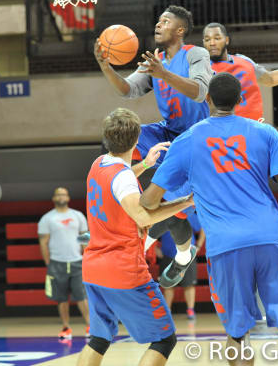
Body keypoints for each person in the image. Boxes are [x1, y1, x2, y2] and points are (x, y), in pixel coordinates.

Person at [141, 73, 278, 366]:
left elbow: (149, 201)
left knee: (238, 337)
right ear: (240, 101)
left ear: (207, 99)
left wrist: (174, 191)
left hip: (226, 247)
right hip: (271, 240)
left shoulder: (187, 140)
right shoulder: (265, 133)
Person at [95, 5, 213, 289]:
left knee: (169, 203)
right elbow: (127, 90)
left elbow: (200, 91)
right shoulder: (155, 60)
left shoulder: (196, 54)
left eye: (165, 21)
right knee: (117, 132)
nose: (158, 25)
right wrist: (106, 66)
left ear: (180, 30)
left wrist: (164, 73)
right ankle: (114, 217)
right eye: (158, 21)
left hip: (196, 138)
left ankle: (179, 254)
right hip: (167, 131)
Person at [77, 108, 194, 366]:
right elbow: (143, 217)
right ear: (137, 138)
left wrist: (145, 164)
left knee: (98, 339)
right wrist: (186, 201)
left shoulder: (99, 164)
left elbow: (119, 180)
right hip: (123, 269)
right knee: (164, 340)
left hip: (93, 268)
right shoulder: (123, 178)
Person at [38, 187, 90, 339]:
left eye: (64, 194)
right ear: (54, 198)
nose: (61, 196)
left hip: (77, 262)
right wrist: (48, 262)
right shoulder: (47, 218)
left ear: (68, 198)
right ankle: (66, 328)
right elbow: (44, 242)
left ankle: (90, 327)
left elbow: (84, 236)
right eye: (58, 194)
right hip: (57, 263)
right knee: (61, 298)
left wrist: (86, 255)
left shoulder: (77, 215)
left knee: (82, 296)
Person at [155, 212, 205, 320]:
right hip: (168, 254)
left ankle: (190, 310)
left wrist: (199, 245)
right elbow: (150, 230)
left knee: (189, 284)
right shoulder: (163, 214)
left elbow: (202, 228)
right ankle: (167, 311)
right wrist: (154, 248)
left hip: (187, 255)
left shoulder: (189, 214)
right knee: (167, 285)